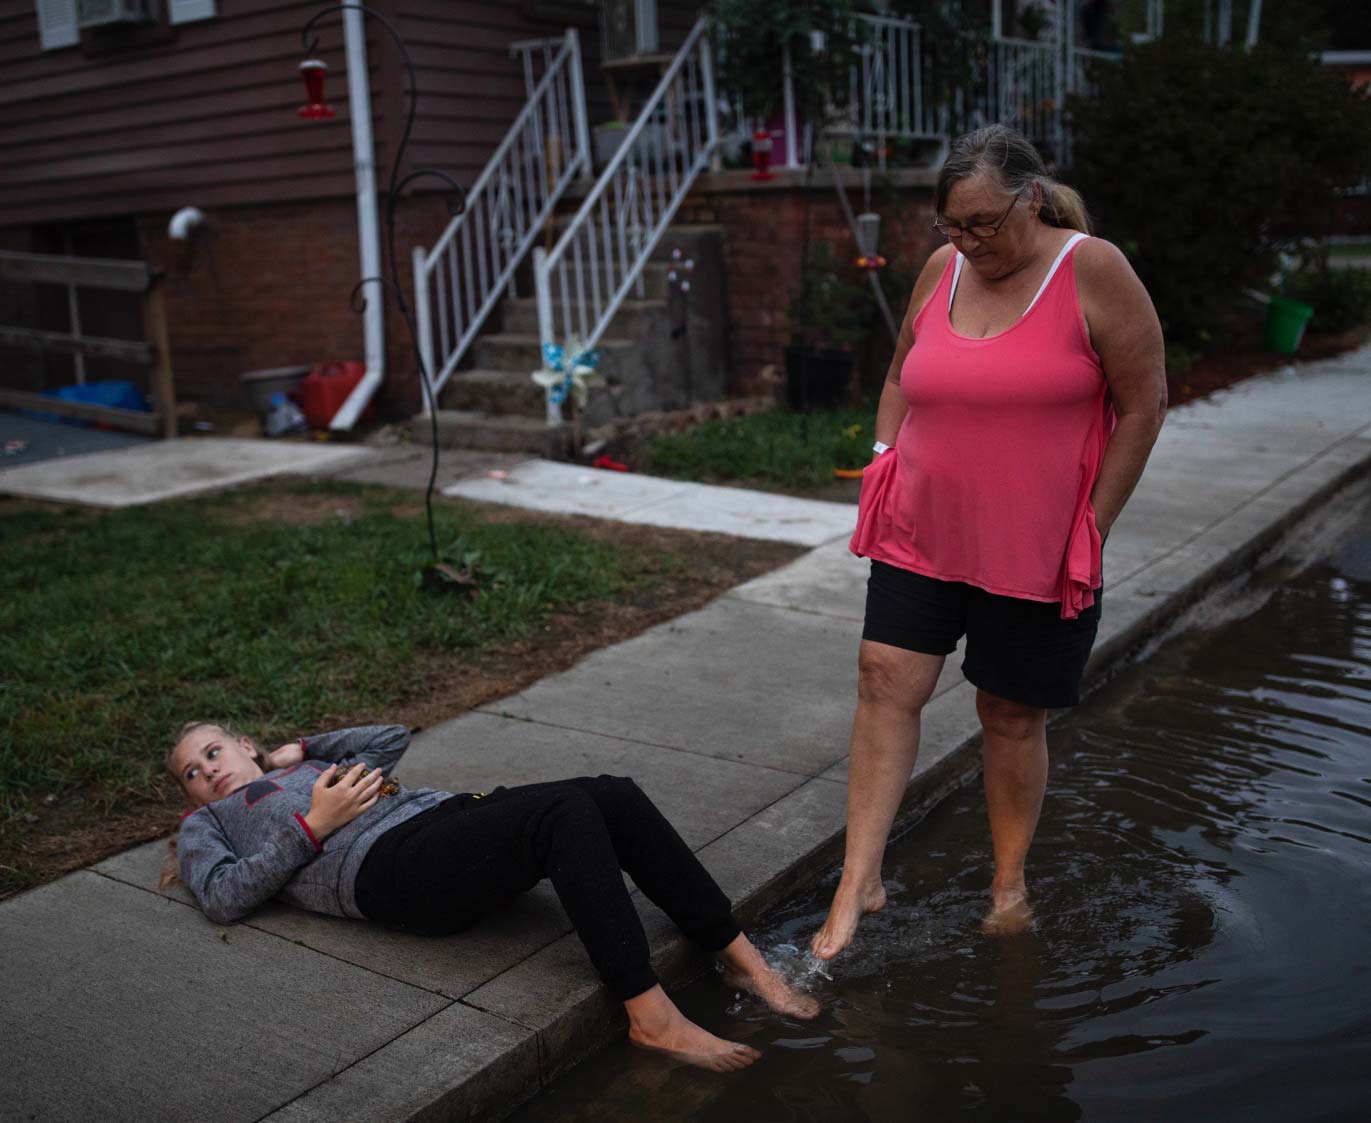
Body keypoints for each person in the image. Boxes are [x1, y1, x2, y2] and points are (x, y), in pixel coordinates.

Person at [811, 124, 1166, 958]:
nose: (970, 243)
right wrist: (882, 459)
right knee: (882, 678)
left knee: (1007, 712)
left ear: (1029, 199)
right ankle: (858, 875)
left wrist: (1093, 524)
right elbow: (902, 369)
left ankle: (1007, 882)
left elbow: (1144, 403)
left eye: (984, 224)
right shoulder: (943, 271)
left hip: (1035, 539)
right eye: (953, 227)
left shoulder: (1092, 267)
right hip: (921, 525)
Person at [165, 720, 818, 1071]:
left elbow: (390, 736)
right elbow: (223, 896)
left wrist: (300, 750)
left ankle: (737, 953)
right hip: (387, 870)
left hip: (443, 821)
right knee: (562, 810)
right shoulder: (209, 823)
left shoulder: (300, 765)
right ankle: (650, 1014)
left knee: (610, 791)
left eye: (214, 750)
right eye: (192, 773)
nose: (209, 770)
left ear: (244, 743)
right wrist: (315, 823)